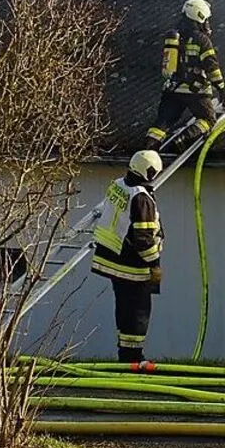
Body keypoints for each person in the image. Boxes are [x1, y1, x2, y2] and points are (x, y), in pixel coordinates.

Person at [90, 150, 164, 363]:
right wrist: (155, 264)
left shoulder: (119, 185)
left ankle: (126, 355)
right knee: (139, 312)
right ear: (149, 172)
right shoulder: (141, 197)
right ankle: (133, 358)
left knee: (124, 309)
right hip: (131, 264)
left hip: (111, 258)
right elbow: (143, 237)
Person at [143, 0, 225, 154]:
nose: (208, 24)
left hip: (172, 90)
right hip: (196, 92)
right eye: (206, 20)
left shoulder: (175, 38)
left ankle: (148, 152)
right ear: (200, 16)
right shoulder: (202, 40)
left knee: (161, 125)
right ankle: (182, 140)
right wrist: (222, 91)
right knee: (207, 120)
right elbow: (212, 68)